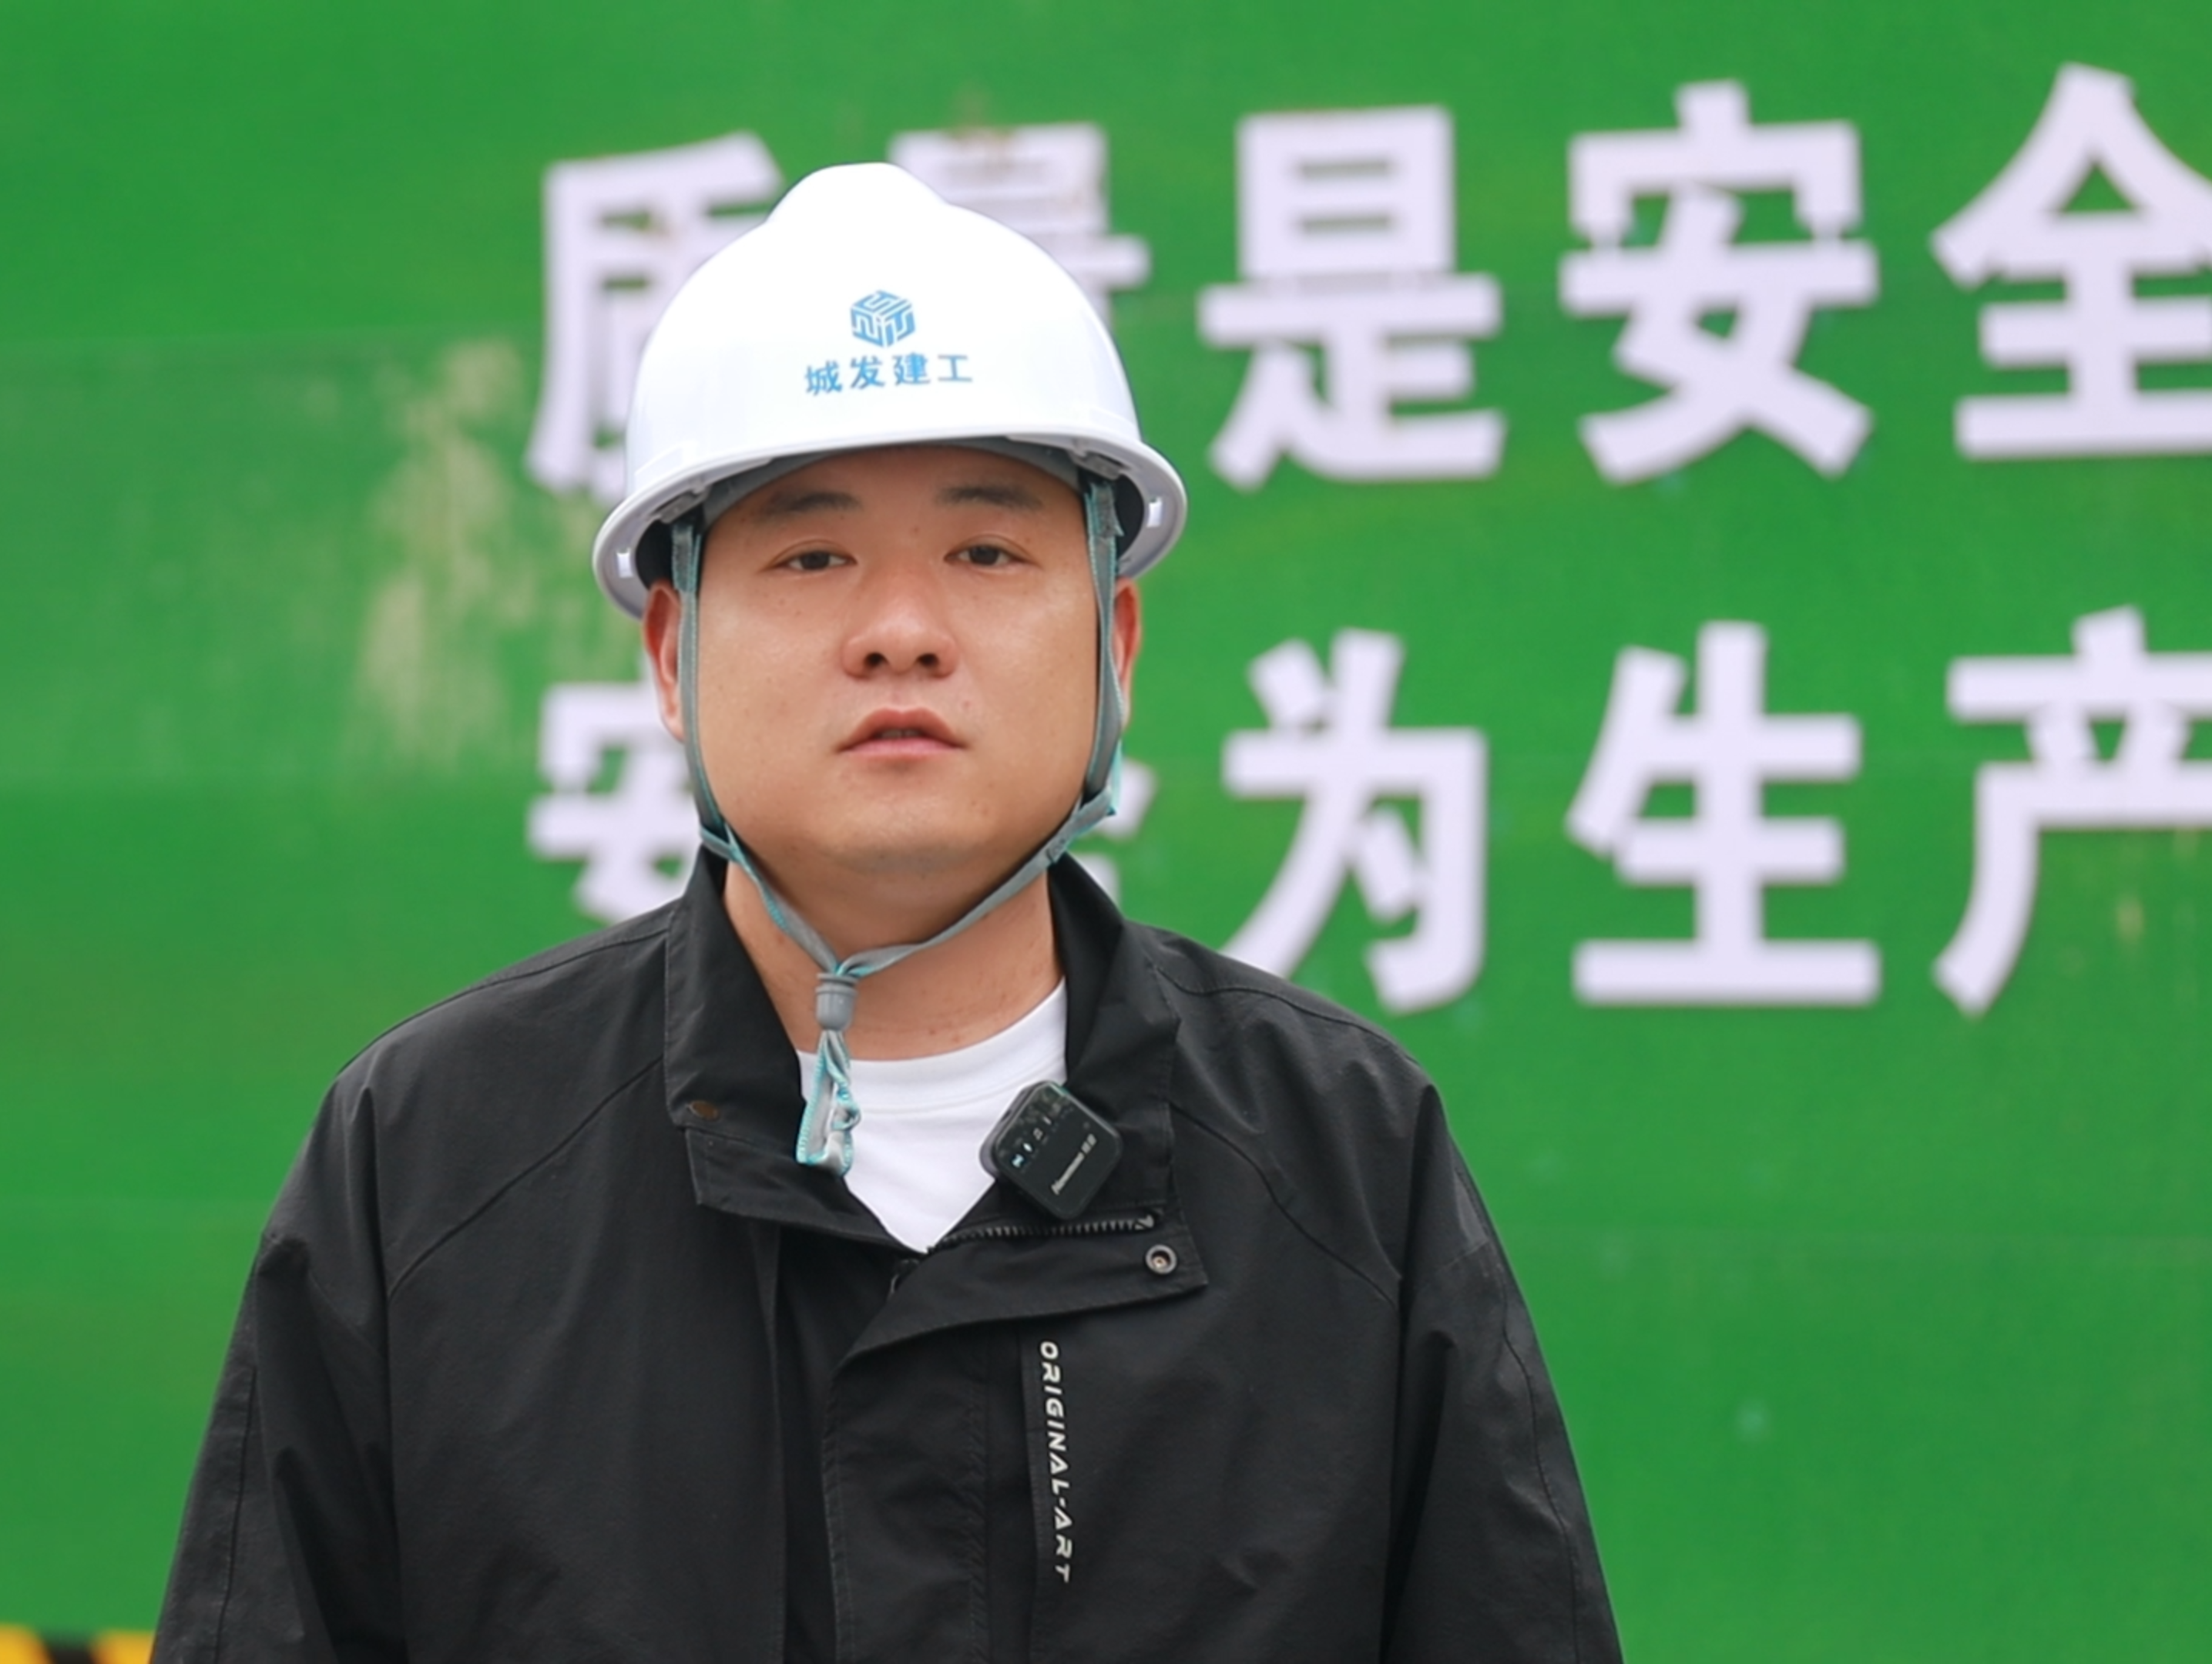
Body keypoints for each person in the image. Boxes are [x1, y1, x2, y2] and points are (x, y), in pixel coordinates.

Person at [153, 163, 1622, 1663]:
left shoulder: (1338, 1160)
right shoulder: (435, 1164)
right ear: (670, 655)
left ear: (1115, 642)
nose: (903, 633)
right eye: (812, 556)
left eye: (987, 553)